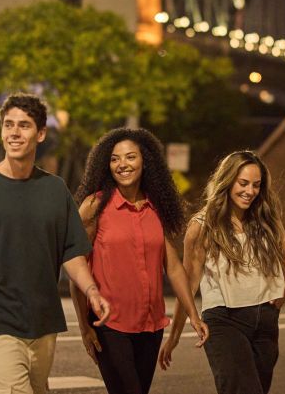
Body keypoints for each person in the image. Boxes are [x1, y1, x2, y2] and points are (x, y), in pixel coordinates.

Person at [0, 93, 110, 394]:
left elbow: (72, 253)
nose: (14, 132)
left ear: (40, 134)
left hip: (43, 323)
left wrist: (92, 291)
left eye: (24, 126)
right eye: (8, 125)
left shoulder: (54, 190)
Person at [71, 127, 209, 394]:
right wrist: (84, 326)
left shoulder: (156, 207)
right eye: (114, 158)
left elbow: (174, 268)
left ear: (146, 161)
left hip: (150, 325)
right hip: (108, 324)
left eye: (130, 157)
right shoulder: (94, 206)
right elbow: (77, 267)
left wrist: (194, 315)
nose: (122, 164)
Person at [158, 151, 285, 394]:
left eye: (256, 185)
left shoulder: (266, 219)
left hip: (265, 320)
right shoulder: (202, 226)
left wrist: (284, 288)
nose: (250, 191)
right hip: (224, 321)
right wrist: (174, 336)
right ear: (228, 181)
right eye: (243, 183)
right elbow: (187, 285)